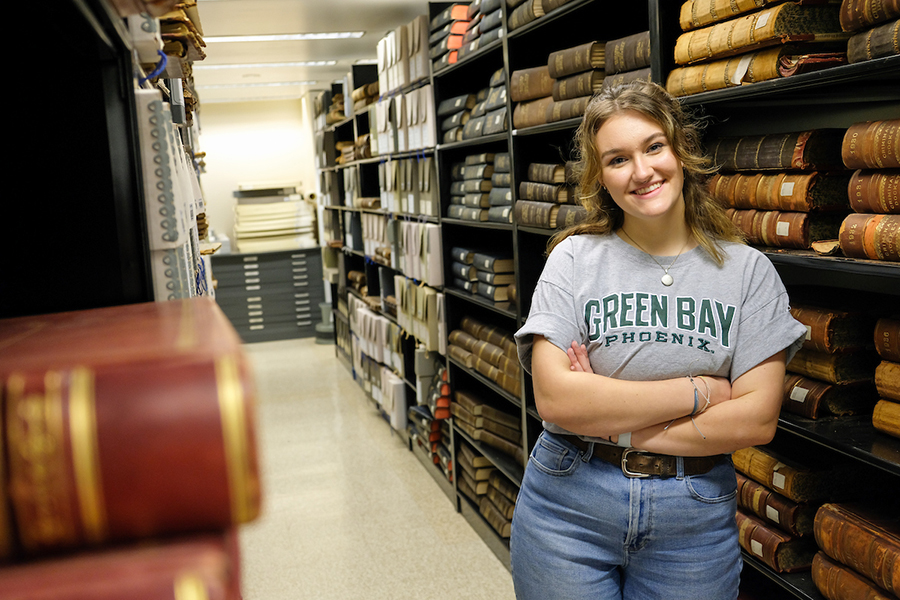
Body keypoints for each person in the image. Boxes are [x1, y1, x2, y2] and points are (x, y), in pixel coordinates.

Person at [511, 80, 807, 600]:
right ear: (600, 176)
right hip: (566, 506)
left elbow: (756, 418)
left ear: (680, 150)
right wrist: (700, 392)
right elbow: (556, 398)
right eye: (618, 159)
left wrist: (608, 418)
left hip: (691, 518)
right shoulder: (574, 259)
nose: (642, 171)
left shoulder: (747, 272)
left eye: (653, 147)